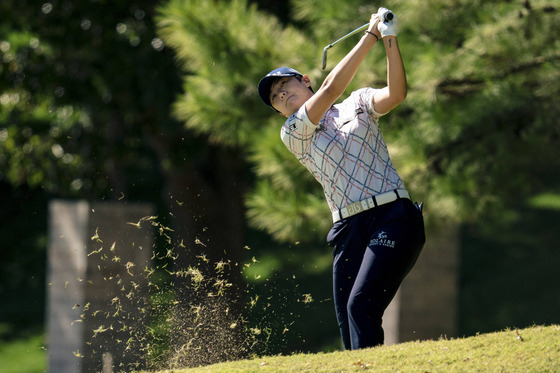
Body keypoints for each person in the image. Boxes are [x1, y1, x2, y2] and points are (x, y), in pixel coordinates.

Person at [257, 7, 425, 350]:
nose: (282, 96)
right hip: (348, 229)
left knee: (360, 306)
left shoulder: (359, 102)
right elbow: (331, 89)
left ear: (305, 80)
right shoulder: (293, 132)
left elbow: (395, 94)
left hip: (392, 216)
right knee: (349, 325)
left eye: (285, 86)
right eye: (275, 97)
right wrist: (371, 36)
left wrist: (389, 37)